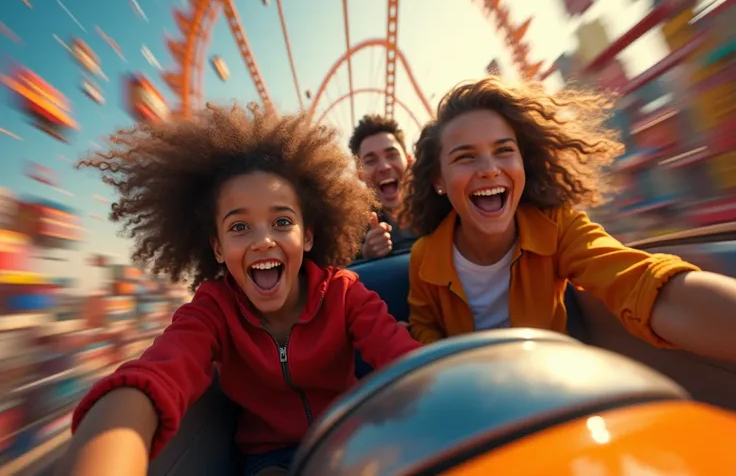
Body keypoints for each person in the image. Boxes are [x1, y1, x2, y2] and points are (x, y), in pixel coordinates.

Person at [56, 103, 422, 476]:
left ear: (307, 235)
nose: (263, 240)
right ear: (217, 246)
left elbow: (403, 357)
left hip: (348, 440)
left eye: (281, 221)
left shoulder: (344, 293)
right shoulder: (214, 309)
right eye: (239, 227)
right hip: (270, 458)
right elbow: (159, 372)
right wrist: (110, 439)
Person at [399, 76, 736, 362]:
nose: (489, 169)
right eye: (465, 157)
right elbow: (426, 331)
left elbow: (638, 281)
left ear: (523, 163)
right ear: (439, 181)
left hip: (553, 386)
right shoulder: (424, 257)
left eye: (504, 151)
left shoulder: (558, 228)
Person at [348, 114, 418, 260]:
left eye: (392, 155)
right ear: (359, 173)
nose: (384, 167)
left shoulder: (442, 210)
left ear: (409, 160)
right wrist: (364, 255)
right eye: (371, 160)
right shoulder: (352, 233)